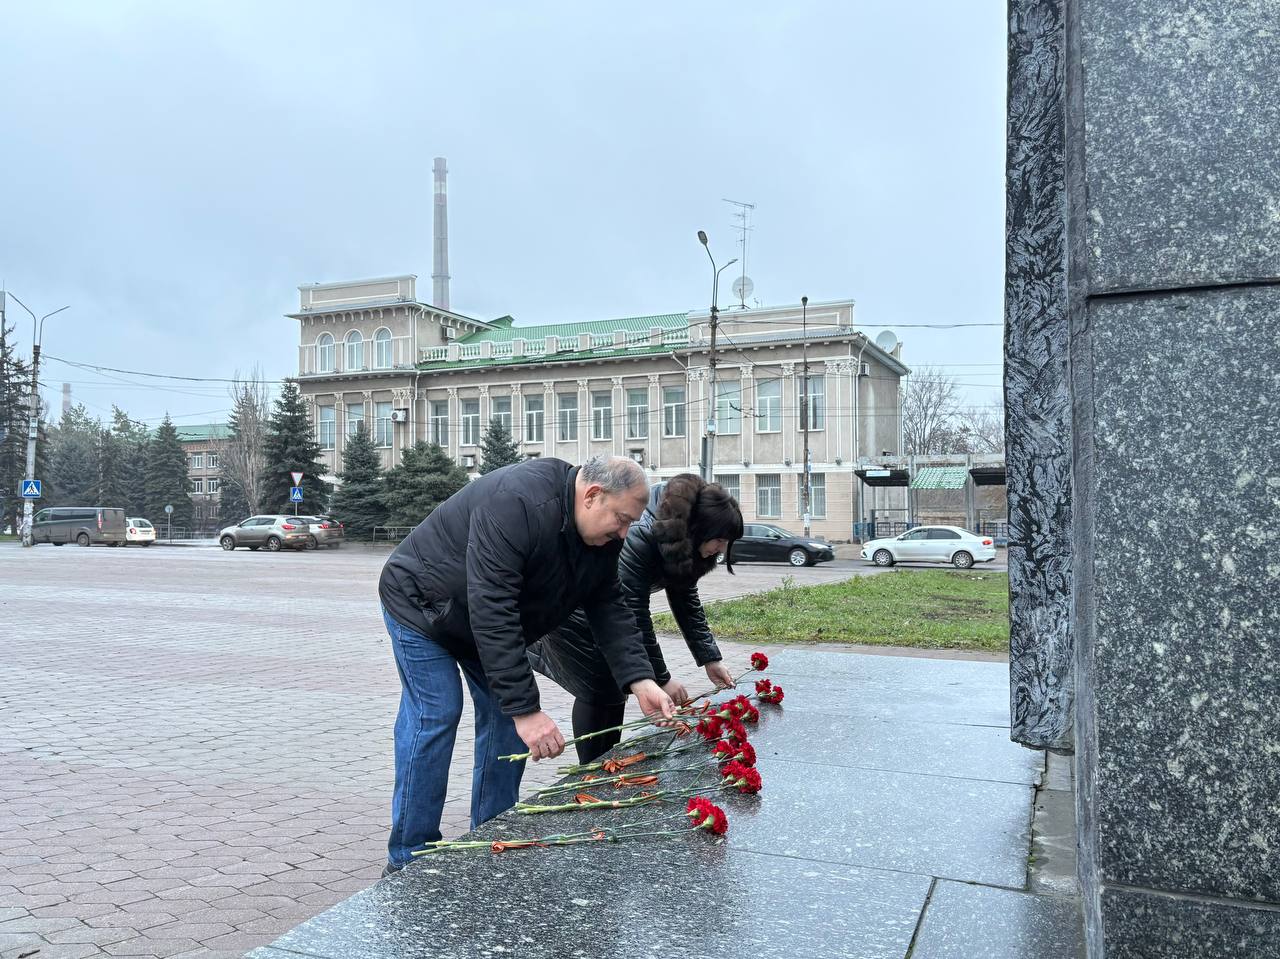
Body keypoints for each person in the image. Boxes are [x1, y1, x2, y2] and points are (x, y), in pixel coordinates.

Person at [377, 454, 677, 872]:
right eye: (622, 519)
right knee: (436, 713)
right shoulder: (517, 502)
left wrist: (641, 680)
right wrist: (527, 710)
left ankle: (491, 834)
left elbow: (609, 604)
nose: (625, 532)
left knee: (505, 724)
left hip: (478, 620)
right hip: (422, 604)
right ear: (592, 495)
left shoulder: (601, 537)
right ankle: (410, 856)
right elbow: (493, 606)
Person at [529, 473, 744, 763]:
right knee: (599, 685)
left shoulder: (684, 541)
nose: (721, 549)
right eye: (719, 539)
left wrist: (710, 658)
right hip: (576, 611)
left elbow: (685, 599)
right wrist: (661, 678)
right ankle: (592, 768)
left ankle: (605, 762)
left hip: (608, 609)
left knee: (615, 687)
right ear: (698, 528)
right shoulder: (644, 534)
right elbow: (635, 613)